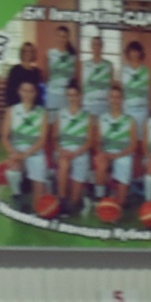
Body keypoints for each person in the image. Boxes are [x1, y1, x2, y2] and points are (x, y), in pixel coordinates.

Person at [0, 80, 48, 210]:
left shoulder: (42, 112)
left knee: (39, 202)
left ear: (35, 93)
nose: (27, 94)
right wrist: (12, 152)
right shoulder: (12, 110)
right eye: (24, 90)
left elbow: (42, 139)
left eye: (30, 91)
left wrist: (24, 155)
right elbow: (4, 137)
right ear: (19, 92)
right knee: (12, 167)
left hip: (35, 153)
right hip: (17, 151)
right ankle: (17, 195)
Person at [53, 79, 94, 215]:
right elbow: (54, 138)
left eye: (75, 95)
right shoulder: (61, 114)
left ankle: (77, 197)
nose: (72, 98)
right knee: (64, 163)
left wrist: (77, 152)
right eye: (69, 95)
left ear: (80, 96)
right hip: (64, 152)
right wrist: (61, 150)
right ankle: (62, 198)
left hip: (80, 153)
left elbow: (89, 141)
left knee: (75, 201)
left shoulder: (87, 116)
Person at [94, 84, 137, 208]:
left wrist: (118, 155)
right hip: (107, 153)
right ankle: (99, 198)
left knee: (120, 203)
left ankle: (118, 198)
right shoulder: (102, 118)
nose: (115, 100)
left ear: (122, 99)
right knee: (100, 162)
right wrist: (102, 153)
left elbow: (133, 145)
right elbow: (97, 142)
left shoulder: (129, 120)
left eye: (118, 97)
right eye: (112, 97)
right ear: (109, 99)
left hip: (123, 154)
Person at [44, 25, 78, 123]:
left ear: (68, 38)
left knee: (65, 123)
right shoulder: (50, 53)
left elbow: (75, 77)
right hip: (53, 94)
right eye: (59, 36)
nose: (61, 39)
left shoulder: (72, 56)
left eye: (64, 37)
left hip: (66, 96)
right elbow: (46, 75)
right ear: (56, 37)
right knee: (51, 122)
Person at [120, 40, 151, 133]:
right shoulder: (124, 70)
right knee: (128, 136)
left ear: (140, 53)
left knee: (141, 137)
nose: (134, 54)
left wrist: (149, 110)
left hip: (142, 110)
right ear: (128, 53)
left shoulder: (146, 71)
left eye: (137, 51)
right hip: (127, 110)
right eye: (132, 51)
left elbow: (149, 92)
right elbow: (121, 91)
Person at [82, 35, 114, 117]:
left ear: (102, 47)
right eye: (94, 44)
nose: (96, 47)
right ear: (91, 46)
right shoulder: (84, 65)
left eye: (99, 45)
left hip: (104, 105)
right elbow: (81, 86)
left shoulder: (109, 65)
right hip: (88, 105)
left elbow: (112, 86)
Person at [4, 42, 43, 107]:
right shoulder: (15, 70)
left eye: (30, 51)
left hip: (32, 107)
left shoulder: (36, 72)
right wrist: (10, 107)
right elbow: (9, 91)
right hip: (16, 105)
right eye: (25, 51)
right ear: (21, 53)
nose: (28, 54)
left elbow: (38, 92)